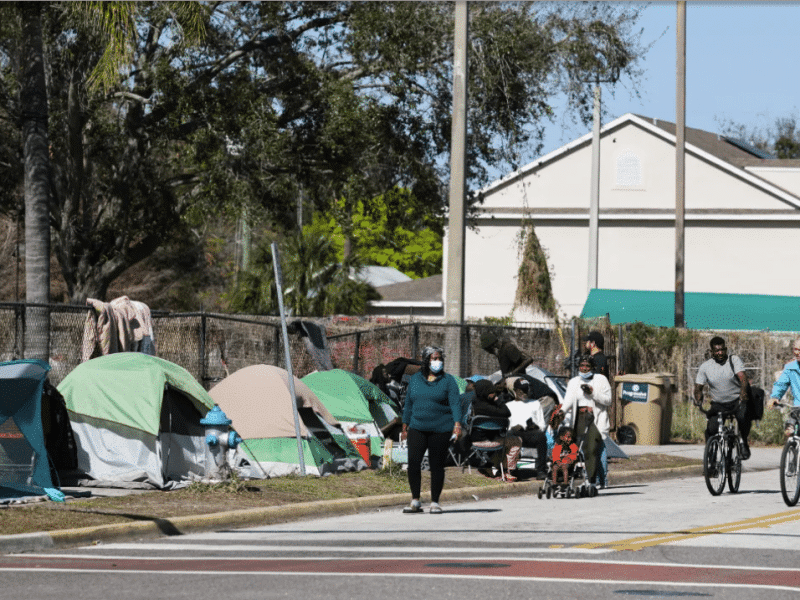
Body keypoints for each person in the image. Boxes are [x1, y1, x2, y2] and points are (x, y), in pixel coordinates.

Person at [401, 346, 462, 514]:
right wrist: (404, 425)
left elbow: (455, 404)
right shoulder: (415, 380)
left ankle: (435, 501)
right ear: (426, 360)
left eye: (440, 359)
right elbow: (408, 404)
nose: (438, 362)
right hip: (417, 428)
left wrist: (457, 425)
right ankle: (415, 500)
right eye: (434, 358)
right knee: (413, 464)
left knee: (436, 466)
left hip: (440, 428)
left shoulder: (448, 381)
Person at [694, 336, 753, 460]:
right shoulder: (705, 367)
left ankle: (743, 442)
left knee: (743, 418)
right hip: (718, 404)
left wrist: (743, 393)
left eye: (722, 350)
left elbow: (743, 379)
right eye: (716, 350)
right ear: (712, 352)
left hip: (737, 401)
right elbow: (698, 387)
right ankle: (711, 457)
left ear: (725, 349)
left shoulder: (734, 360)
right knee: (711, 429)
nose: (720, 353)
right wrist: (698, 398)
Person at [560, 355, 611, 486]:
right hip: (580, 419)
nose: (584, 369)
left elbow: (608, 400)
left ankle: (595, 480)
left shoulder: (601, 379)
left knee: (593, 448)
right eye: (581, 366)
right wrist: (560, 413)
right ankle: (592, 480)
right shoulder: (574, 382)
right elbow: (567, 402)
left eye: (587, 366)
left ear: (592, 367)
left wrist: (592, 393)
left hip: (596, 418)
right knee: (580, 449)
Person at [470, 379, 524, 482]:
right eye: (490, 392)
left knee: (504, 443)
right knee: (516, 441)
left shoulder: (476, 404)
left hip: (474, 440)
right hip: (487, 442)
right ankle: (508, 471)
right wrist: (498, 400)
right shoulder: (489, 407)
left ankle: (494, 468)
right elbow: (507, 412)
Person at [768, 337, 800, 411]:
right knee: (790, 422)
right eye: (795, 349)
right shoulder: (790, 367)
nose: (797, 353)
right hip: (797, 410)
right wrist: (775, 397)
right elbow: (781, 384)